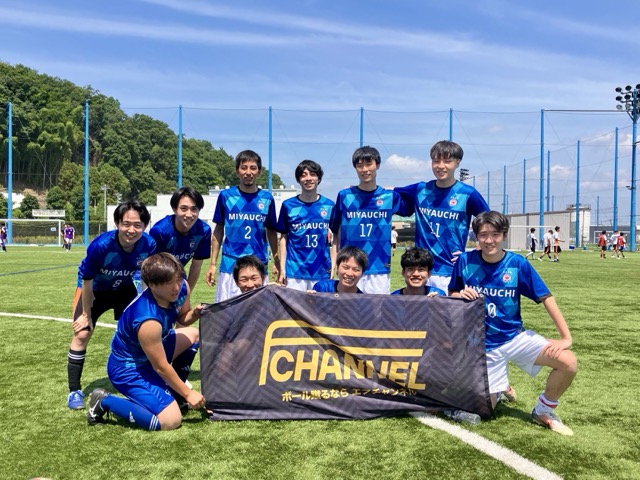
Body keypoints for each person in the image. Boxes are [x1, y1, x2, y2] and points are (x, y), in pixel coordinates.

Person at [449, 211, 577, 435]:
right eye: (483, 235)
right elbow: (452, 292)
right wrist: (460, 295)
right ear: (476, 237)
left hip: (515, 338)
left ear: (504, 235)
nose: (489, 240)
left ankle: (543, 410)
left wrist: (566, 337)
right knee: (482, 412)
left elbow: (546, 297)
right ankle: (498, 389)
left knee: (568, 362)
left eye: (495, 234)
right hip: (483, 346)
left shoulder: (517, 264)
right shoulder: (465, 261)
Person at [86, 252, 204, 430]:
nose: (176, 287)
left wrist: (194, 314)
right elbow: (160, 366)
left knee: (193, 335)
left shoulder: (183, 287)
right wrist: (189, 393)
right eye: (168, 282)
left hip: (150, 354)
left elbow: (182, 318)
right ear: (152, 285)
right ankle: (104, 401)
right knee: (170, 421)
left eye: (179, 279)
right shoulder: (147, 320)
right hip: (129, 369)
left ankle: (174, 395)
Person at [66, 199, 156, 410]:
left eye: (137, 225)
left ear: (144, 226)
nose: (131, 230)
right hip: (95, 290)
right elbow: (87, 280)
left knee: (143, 330)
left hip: (124, 289)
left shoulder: (149, 244)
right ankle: (74, 391)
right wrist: (86, 313)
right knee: (82, 333)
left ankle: (142, 379)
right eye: (126, 224)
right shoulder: (101, 246)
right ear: (117, 223)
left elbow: (145, 276)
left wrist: (146, 304)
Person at [395, 140, 489, 293]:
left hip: (450, 270)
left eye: (447, 161)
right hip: (421, 270)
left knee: (449, 309)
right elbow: (388, 192)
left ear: (457, 162)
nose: (440, 166)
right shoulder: (420, 190)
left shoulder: (467, 194)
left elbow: (491, 224)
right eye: (436, 161)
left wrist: (475, 253)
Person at [205, 150, 279, 302]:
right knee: (227, 310)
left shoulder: (267, 199)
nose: (248, 172)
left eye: (253, 168)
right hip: (230, 264)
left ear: (259, 171)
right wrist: (212, 264)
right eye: (244, 167)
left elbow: (271, 231)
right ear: (237, 171)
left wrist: (277, 262)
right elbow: (218, 230)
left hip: (258, 264)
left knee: (259, 311)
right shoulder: (226, 196)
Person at [330, 146, 403, 294]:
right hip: (350, 266)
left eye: (369, 164)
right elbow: (337, 231)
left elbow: (416, 205)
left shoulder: (390, 197)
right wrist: (334, 263)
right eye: (360, 165)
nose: (364, 169)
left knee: (376, 308)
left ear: (378, 165)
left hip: (379, 267)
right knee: (347, 307)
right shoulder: (345, 196)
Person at [276, 160, 336, 291]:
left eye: (312, 174)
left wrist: (333, 264)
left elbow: (337, 236)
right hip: (295, 271)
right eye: (304, 175)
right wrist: (282, 268)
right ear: (298, 179)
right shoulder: (288, 205)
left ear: (318, 178)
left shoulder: (329, 205)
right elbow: (283, 237)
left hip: (321, 270)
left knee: (320, 305)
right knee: (293, 305)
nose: (308, 178)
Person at [150, 186, 211, 292]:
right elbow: (150, 267)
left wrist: (186, 294)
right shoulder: (160, 231)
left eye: (194, 209)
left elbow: (196, 267)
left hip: (177, 276)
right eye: (183, 208)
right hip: (153, 277)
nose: (189, 214)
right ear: (174, 209)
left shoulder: (203, 230)